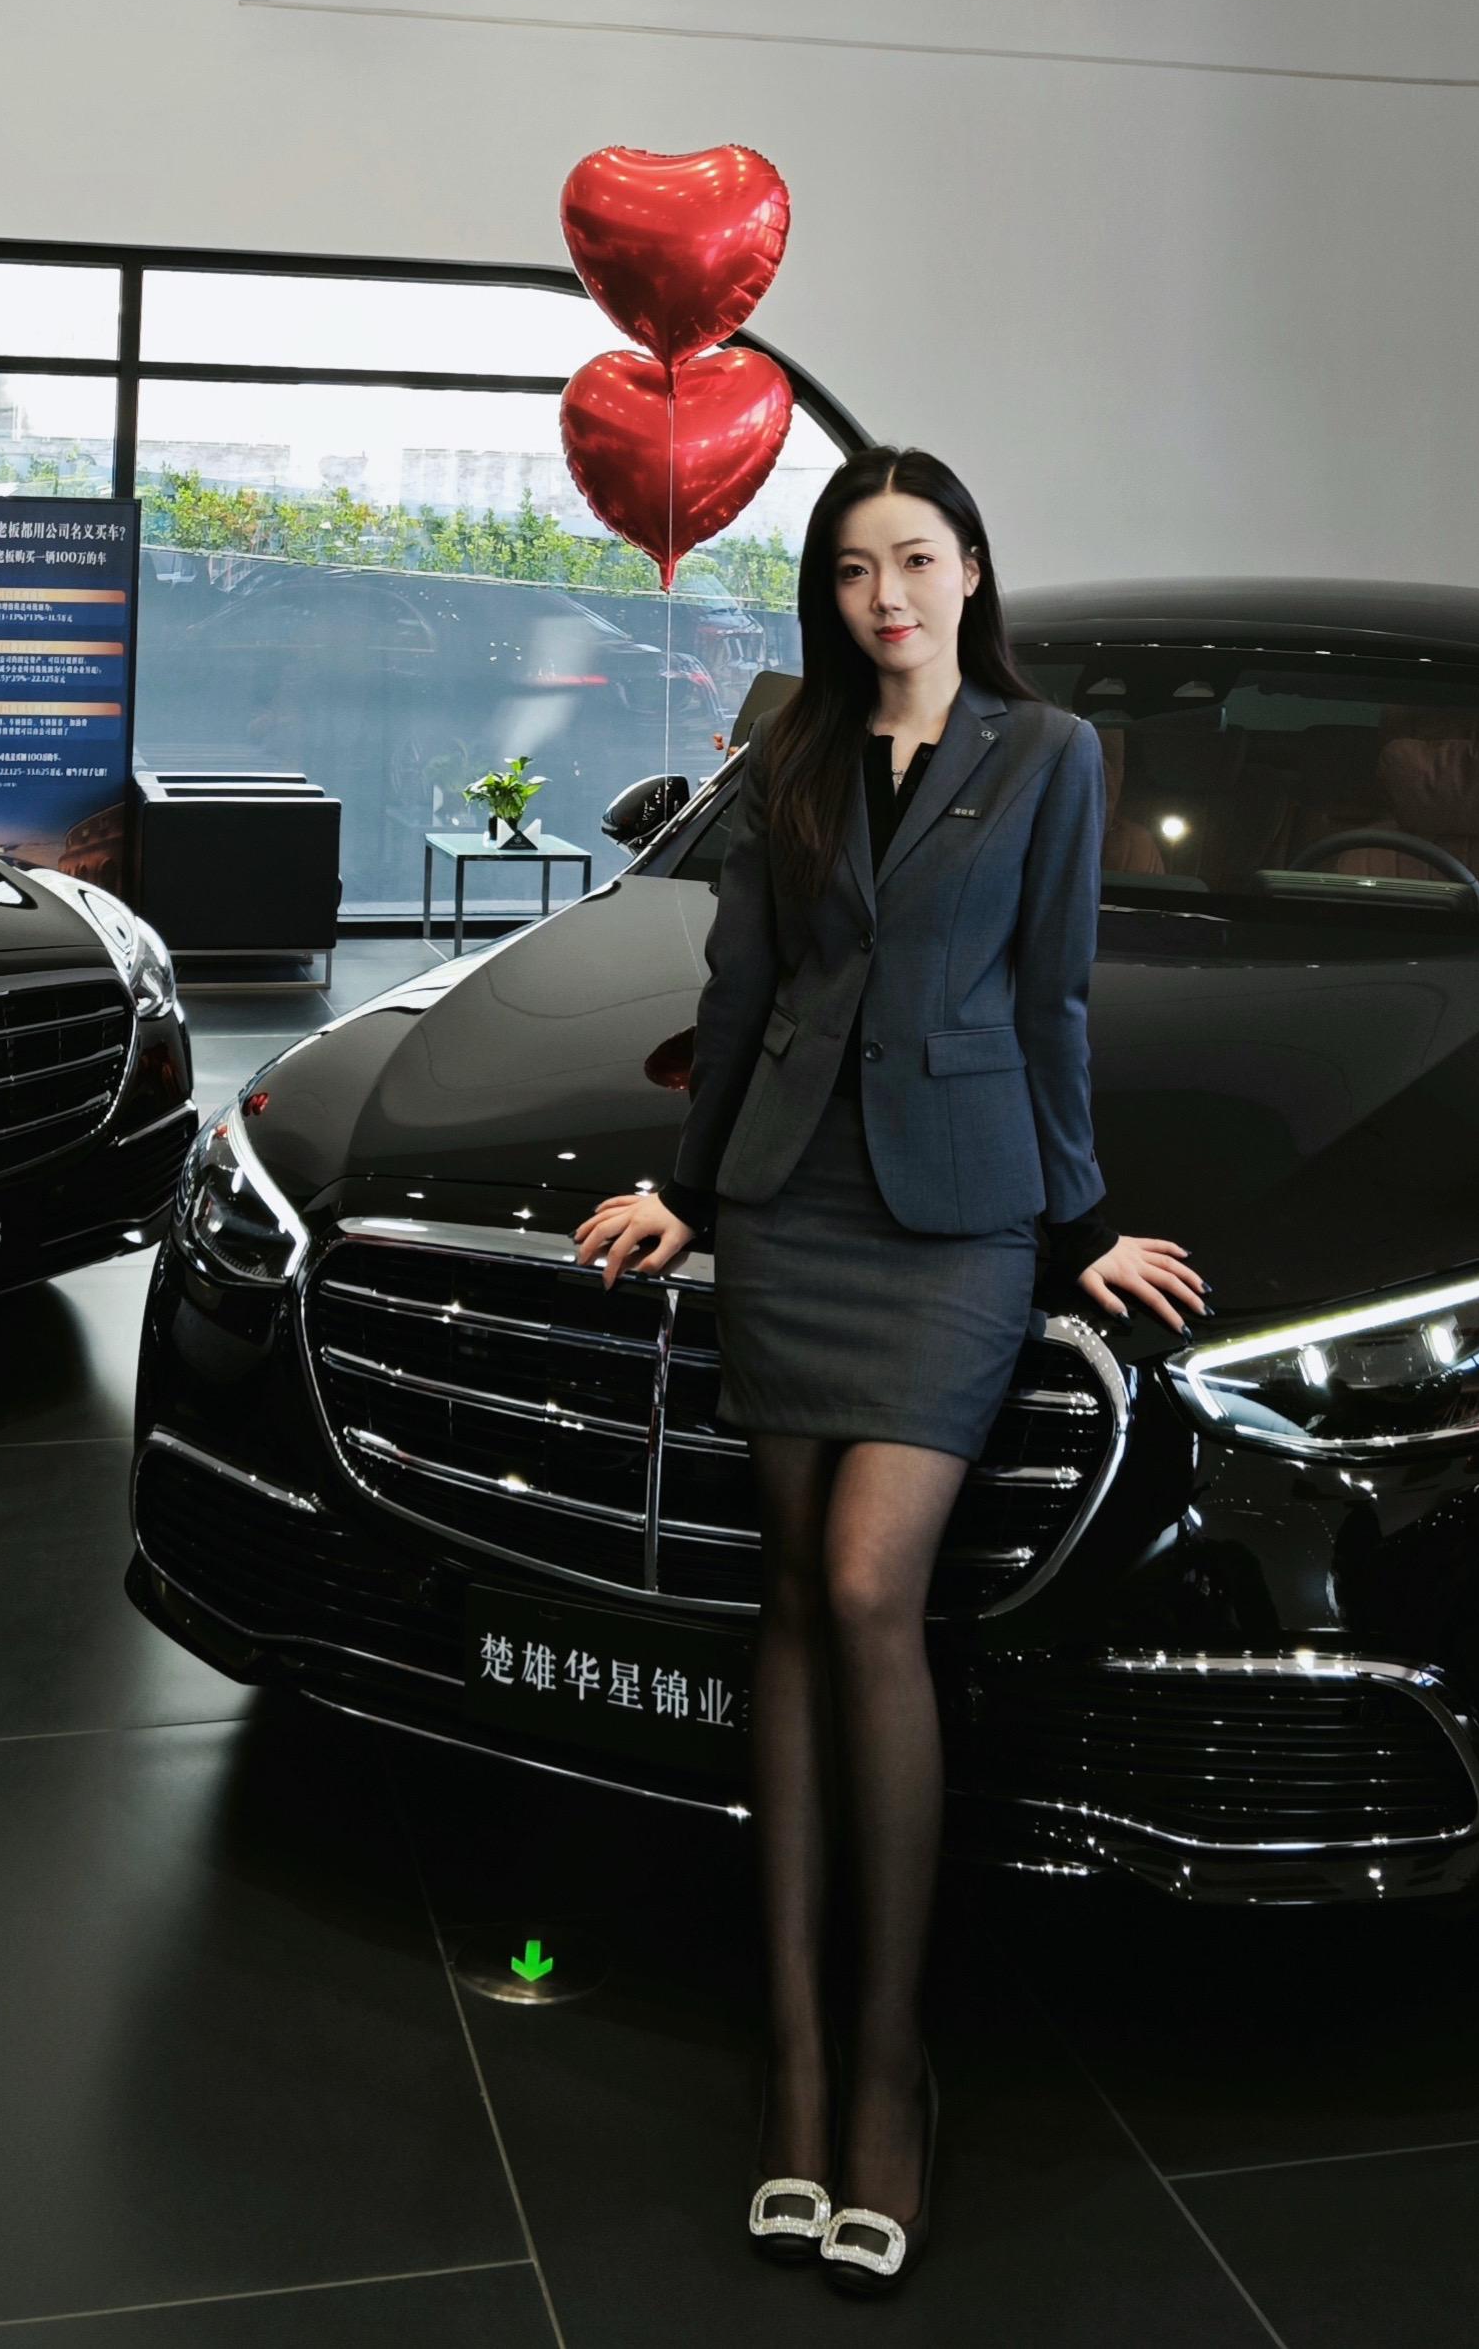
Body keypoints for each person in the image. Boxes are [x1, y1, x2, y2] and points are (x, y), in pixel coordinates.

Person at [573, 446, 1206, 2296]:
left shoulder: (1047, 754)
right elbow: (744, 991)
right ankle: (791, 2060)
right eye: (853, 570)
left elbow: (1050, 1000)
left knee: (866, 1588)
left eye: (915, 562)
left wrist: (1080, 1226)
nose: (886, 599)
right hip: (789, 1207)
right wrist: (690, 1195)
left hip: (954, 1221)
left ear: (969, 572)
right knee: (787, 1597)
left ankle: (887, 2061)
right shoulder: (789, 750)